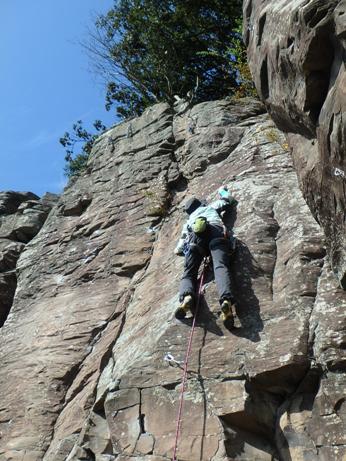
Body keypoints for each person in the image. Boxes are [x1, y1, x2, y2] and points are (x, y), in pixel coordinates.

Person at [174, 187, 237, 325]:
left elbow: (178, 249)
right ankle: (226, 300)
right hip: (216, 233)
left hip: (195, 240)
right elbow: (229, 200)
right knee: (220, 266)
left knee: (189, 274)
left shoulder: (189, 221)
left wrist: (185, 251)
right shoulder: (211, 207)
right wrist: (222, 191)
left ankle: (187, 297)